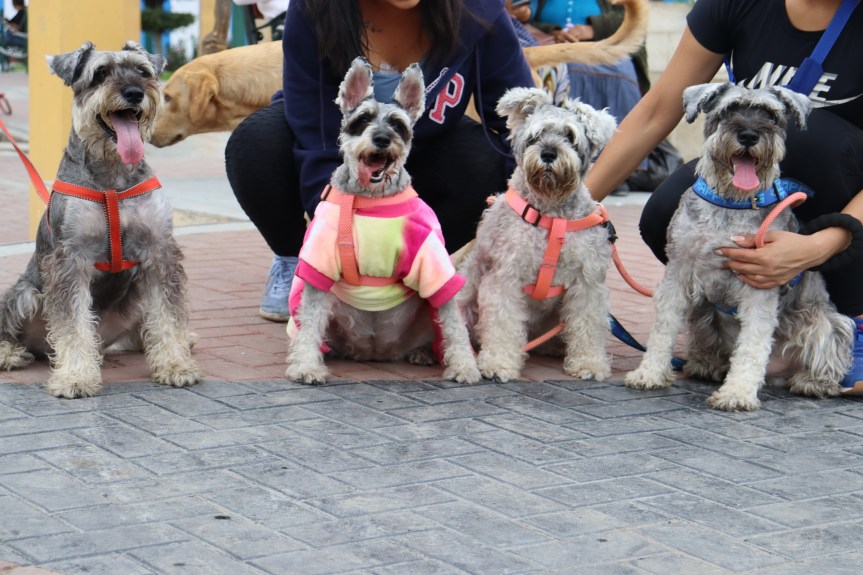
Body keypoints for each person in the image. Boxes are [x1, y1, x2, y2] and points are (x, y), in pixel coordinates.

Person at [583, 0, 863, 393]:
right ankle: (722, 328)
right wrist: (570, 209)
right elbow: (657, 109)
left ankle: (856, 319)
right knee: (664, 211)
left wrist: (817, 246)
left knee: (815, 138)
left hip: (848, 185)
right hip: (755, 171)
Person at [225, 0, 534, 322]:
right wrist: (332, 232)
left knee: (486, 161)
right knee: (255, 142)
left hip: (426, 151)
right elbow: (313, 128)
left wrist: (538, 220)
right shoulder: (314, 8)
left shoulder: (480, 10)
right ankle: (297, 260)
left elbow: (521, 117)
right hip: (334, 147)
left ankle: (415, 269)